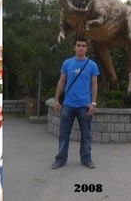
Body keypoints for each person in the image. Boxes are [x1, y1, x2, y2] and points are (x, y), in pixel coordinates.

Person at [52, 36, 100, 169]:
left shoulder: (92, 65)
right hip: (68, 104)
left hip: (85, 106)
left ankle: (86, 159)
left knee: (86, 134)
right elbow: (61, 81)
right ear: (74, 47)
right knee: (63, 134)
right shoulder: (67, 63)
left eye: (83, 46)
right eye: (78, 45)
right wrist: (56, 100)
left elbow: (94, 85)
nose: (81, 48)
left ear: (86, 48)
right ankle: (60, 159)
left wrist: (94, 103)